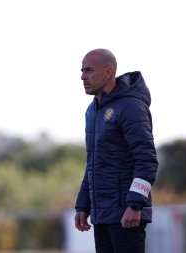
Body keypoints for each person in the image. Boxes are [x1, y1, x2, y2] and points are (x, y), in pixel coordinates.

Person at [74, 49, 158, 253]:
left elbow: (147, 159)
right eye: (82, 70)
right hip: (102, 214)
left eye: (89, 70)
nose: (83, 76)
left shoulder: (131, 106)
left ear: (108, 72)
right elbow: (93, 162)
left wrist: (135, 205)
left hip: (127, 214)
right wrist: (82, 205)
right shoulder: (92, 110)